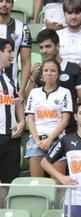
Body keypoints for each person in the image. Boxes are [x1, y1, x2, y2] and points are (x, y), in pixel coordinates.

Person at [24, 29, 81, 139]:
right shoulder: (39, 71)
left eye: (48, 46)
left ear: (58, 46)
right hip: (43, 131)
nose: (44, 51)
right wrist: (32, 78)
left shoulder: (73, 68)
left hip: (69, 129)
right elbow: (28, 98)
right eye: (41, 47)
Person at [25, 58, 72, 178]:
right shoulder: (34, 93)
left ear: (58, 74)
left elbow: (65, 120)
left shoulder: (65, 92)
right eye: (45, 70)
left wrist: (50, 139)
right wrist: (37, 140)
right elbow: (30, 118)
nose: (49, 73)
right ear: (41, 74)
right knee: (36, 183)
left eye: (53, 70)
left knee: (58, 183)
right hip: (36, 141)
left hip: (57, 141)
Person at [0, 38, 24, 204]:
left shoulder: (8, 78)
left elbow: (17, 102)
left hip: (11, 137)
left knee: (10, 182)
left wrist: (21, 122)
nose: (11, 55)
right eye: (8, 51)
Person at [0, 0, 31, 91]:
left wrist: (21, 91)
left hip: (11, 88)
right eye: (1, 1)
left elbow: (26, 62)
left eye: (8, 1)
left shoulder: (23, 28)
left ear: (12, 5)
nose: (4, 4)